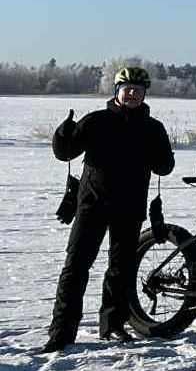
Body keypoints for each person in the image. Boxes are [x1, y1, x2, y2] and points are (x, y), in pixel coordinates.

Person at [42, 66, 175, 352]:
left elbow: (164, 167)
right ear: (117, 91)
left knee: (120, 270)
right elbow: (65, 153)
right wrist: (62, 135)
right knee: (75, 267)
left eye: (137, 90)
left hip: (130, 207)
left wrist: (162, 152)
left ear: (144, 94)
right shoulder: (96, 121)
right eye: (127, 89)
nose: (132, 94)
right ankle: (61, 333)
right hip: (92, 205)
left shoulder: (153, 128)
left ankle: (113, 326)